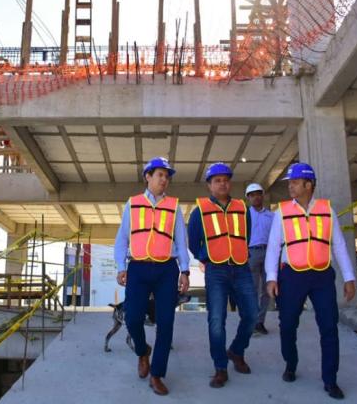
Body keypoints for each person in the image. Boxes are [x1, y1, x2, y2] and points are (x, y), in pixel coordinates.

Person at [264, 162, 356, 400]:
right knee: (287, 325)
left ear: (308, 184)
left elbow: (338, 245)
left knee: (329, 327)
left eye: (294, 183)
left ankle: (330, 380)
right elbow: (273, 247)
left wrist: (349, 277)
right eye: (290, 183)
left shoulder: (327, 210)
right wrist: (272, 278)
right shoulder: (282, 212)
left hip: (322, 276)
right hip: (291, 275)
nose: (291, 187)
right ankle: (291, 364)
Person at [113, 157, 190, 396]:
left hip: (167, 270)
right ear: (147, 176)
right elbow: (122, 237)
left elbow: (181, 239)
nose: (164, 180)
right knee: (133, 318)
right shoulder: (133, 203)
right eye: (160, 175)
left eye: (167, 176)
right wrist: (120, 266)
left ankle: (157, 374)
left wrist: (185, 271)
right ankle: (142, 351)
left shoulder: (174, 205)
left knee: (166, 323)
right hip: (138, 268)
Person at [187, 162, 258, 388]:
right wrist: (205, 257)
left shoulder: (242, 208)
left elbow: (246, 235)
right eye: (217, 180)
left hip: (241, 268)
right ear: (209, 185)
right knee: (217, 320)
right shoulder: (200, 211)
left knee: (252, 315)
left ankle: (236, 350)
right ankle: (220, 368)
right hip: (216, 271)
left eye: (226, 179)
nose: (222, 183)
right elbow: (193, 241)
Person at [245, 182, 275, 335]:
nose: (256, 197)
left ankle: (259, 322)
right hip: (251, 253)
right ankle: (250, 321)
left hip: (269, 253)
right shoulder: (245, 216)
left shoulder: (272, 216)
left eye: (258, 193)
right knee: (252, 289)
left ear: (262, 195)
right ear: (248, 198)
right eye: (252, 195)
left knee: (266, 289)